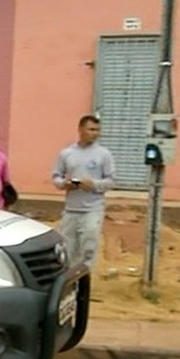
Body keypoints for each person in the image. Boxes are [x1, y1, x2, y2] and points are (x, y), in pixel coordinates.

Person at [52, 115, 115, 270]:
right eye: (91, 129)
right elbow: (56, 177)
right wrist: (65, 184)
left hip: (92, 210)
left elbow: (111, 181)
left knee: (88, 249)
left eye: (97, 130)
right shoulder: (67, 153)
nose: (95, 133)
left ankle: (85, 279)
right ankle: (69, 279)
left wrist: (93, 185)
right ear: (80, 129)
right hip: (71, 210)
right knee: (67, 249)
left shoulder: (104, 154)